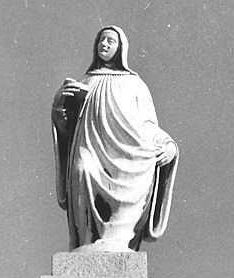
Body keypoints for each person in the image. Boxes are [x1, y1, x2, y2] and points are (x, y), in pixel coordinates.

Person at [51, 26, 178, 251]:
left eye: (110, 41)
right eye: (101, 40)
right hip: (89, 150)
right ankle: (86, 243)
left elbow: (147, 125)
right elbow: (67, 131)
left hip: (127, 158)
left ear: (121, 48)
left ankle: (117, 243)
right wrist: (59, 106)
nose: (104, 45)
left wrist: (168, 146)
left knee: (133, 182)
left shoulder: (135, 85)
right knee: (81, 170)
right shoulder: (85, 82)